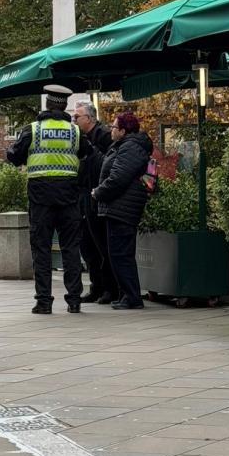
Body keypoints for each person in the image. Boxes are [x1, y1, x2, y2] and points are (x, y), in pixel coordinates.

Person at [7, 85, 92, 314]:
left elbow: (13, 156)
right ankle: (74, 300)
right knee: (71, 249)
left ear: (48, 104)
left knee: (42, 249)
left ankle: (44, 301)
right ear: (64, 105)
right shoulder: (74, 132)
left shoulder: (33, 130)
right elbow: (87, 153)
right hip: (69, 196)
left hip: (41, 197)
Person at [91, 111, 153, 310]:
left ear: (124, 131)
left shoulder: (130, 148)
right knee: (119, 253)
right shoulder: (125, 146)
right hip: (120, 207)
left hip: (123, 208)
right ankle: (127, 294)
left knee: (121, 254)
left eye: (115, 127)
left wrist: (98, 192)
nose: (111, 130)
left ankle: (132, 297)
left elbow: (118, 178)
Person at [73, 100, 117, 305]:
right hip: (82, 194)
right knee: (86, 245)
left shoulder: (103, 136)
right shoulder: (79, 138)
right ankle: (96, 286)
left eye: (77, 116)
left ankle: (109, 288)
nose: (73, 119)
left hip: (96, 195)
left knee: (101, 243)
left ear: (89, 118)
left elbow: (107, 165)